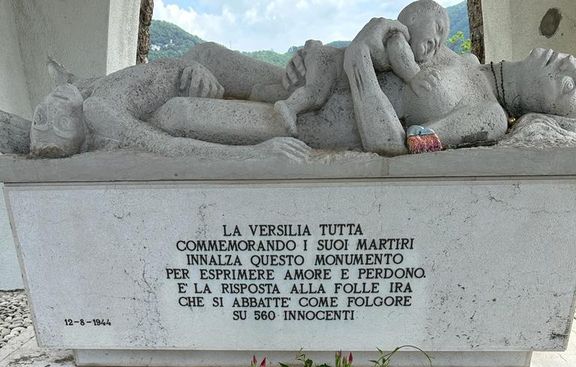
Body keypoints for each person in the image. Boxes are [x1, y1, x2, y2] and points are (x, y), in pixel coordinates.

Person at [13, 10, 576, 160]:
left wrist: (357, 58)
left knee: (178, 113)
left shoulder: (487, 114)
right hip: (312, 84)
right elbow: (395, 44)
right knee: (205, 56)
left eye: (570, 85)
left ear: (551, 109)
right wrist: (323, 55)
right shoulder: (460, 53)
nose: (565, 64)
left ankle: (78, 126)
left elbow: (397, 143)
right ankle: (85, 95)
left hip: (316, 123)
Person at [269, 0, 450, 137]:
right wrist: (414, 76)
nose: (436, 43)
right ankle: (289, 107)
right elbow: (399, 55)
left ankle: (277, 98)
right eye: (438, 28)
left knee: (291, 89)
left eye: (440, 43)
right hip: (330, 61)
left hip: (329, 60)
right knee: (316, 93)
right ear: (413, 18)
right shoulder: (398, 34)